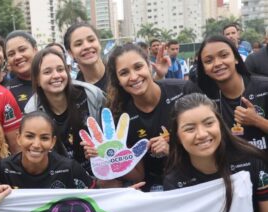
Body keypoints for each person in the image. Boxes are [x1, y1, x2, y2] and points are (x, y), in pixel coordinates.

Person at [164, 92, 268, 212]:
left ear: (220, 124)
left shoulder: (250, 159)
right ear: (177, 136)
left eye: (208, 123)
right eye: (189, 128)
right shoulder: (174, 180)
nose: (202, 134)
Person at [105, 43, 198, 191]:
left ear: (149, 65)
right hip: (151, 191)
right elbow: (138, 176)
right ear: (117, 80)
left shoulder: (184, 90)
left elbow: (208, 145)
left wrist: (171, 150)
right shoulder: (119, 115)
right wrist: (106, 157)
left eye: (138, 67)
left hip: (193, 179)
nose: (134, 77)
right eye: (124, 73)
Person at [25, 48, 106, 173]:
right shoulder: (32, 111)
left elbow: (112, 138)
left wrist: (100, 150)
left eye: (60, 69)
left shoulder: (92, 96)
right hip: (59, 181)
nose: (56, 75)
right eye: (47, 72)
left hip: (99, 175)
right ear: (37, 80)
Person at [196, 35, 268, 152]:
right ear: (204, 69)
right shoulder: (205, 100)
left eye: (224, 55)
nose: (217, 63)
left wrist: (257, 120)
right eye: (209, 61)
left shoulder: (264, 86)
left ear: (236, 58)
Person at [0, 111, 95, 189]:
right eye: (29, 136)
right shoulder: (3, 169)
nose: (36, 145)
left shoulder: (70, 169)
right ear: (19, 138)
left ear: (53, 142)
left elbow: (98, 197)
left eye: (44, 138)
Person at [64, 22, 108, 92]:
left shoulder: (118, 74)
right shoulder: (76, 92)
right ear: (70, 53)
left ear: (99, 43)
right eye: (78, 44)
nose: (87, 46)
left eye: (91, 40)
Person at [4, 31, 38, 111]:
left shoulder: (54, 80)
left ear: (35, 50)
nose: (17, 57)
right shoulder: (6, 93)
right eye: (11, 54)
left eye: (22, 50)